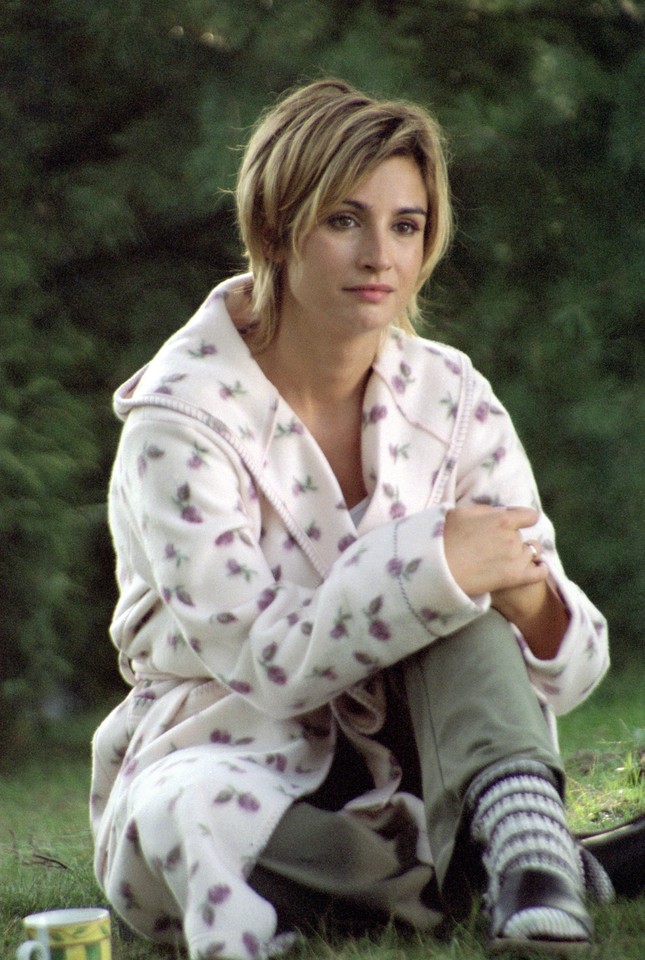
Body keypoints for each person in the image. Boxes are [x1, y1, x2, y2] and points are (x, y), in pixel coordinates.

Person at [90, 79, 614, 959]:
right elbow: (263, 661)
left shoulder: (453, 396)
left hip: (434, 735)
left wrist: (524, 596)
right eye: (344, 220)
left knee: (465, 617)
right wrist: (429, 566)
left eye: (405, 225)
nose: (379, 255)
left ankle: (530, 868)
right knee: (189, 823)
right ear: (273, 230)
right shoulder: (178, 421)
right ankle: (504, 861)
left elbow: (575, 668)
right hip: (231, 737)